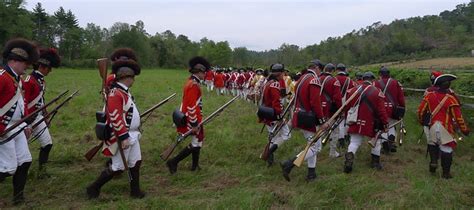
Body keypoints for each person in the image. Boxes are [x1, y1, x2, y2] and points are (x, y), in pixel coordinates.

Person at [86, 49, 145, 199]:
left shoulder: (123, 92)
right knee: (117, 166)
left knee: (135, 162)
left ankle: (135, 191)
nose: (134, 80)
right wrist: (123, 136)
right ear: (127, 77)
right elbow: (115, 117)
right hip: (122, 135)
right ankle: (93, 188)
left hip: (132, 134)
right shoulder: (116, 94)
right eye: (132, 77)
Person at [0, 38, 39, 204]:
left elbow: (21, 104)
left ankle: (18, 199)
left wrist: (25, 124)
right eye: (24, 63)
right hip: (4, 128)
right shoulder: (2, 77)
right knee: (8, 168)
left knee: (25, 161)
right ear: (14, 61)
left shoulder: (17, 79)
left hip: (17, 127)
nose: (27, 67)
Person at [280, 62, 327, 182]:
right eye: (320, 70)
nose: (320, 73)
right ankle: (290, 164)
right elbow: (316, 103)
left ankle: (311, 173)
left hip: (300, 115)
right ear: (316, 68)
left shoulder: (301, 78)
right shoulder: (313, 80)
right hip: (308, 118)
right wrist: (322, 121)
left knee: (311, 145)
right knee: (315, 148)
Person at [417, 73, 469, 179]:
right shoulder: (451, 99)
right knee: (446, 149)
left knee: (432, 143)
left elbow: (421, 111)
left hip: (432, 126)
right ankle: (446, 173)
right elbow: (458, 117)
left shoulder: (429, 96)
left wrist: (422, 121)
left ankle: (433, 162)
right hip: (445, 127)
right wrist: (464, 129)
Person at [167, 57, 211, 174]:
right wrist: (194, 123)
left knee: (198, 141)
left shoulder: (191, 82)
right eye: (204, 72)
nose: (205, 74)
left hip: (194, 117)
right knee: (196, 142)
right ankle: (174, 161)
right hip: (192, 119)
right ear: (199, 72)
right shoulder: (193, 85)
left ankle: (195, 166)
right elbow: (191, 106)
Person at [23, 48, 60, 178]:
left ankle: (41, 172)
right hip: (27, 119)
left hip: (38, 117)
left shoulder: (41, 80)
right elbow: (24, 102)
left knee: (47, 144)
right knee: (19, 150)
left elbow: (41, 100)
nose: (50, 70)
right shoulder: (29, 80)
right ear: (41, 66)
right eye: (48, 68)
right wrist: (26, 122)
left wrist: (45, 115)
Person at [343, 72, 389, 173]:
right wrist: (385, 123)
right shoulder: (377, 92)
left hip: (354, 120)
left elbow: (347, 108)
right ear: (372, 80)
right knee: (376, 142)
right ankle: (375, 163)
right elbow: (381, 110)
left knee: (354, 142)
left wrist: (347, 120)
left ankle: (349, 159)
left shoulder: (353, 91)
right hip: (371, 122)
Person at [257, 63, 291, 167]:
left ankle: (269, 157)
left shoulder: (267, 82)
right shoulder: (275, 84)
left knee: (273, 136)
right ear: (280, 74)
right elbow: (277, 102)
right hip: (273, 115)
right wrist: (280, 117)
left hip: (266, 113)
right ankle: (268, 152)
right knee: (286, 135)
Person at [373, 67, 405, 154]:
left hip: (381, 108)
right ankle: (390, 142)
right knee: (391, 126)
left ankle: (385, 144)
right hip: (393, 108)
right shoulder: (396, 82)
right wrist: (402, 107)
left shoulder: (376, 83)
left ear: (380, 74)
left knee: (383, 127)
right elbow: (401, 97)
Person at [318, 63, 342, 158]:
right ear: (333, 71)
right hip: (329, 109)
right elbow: (337, 98)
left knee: (319, 130)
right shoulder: (334, 81)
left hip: (318, 108)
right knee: (335, 131)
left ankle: (316, 149)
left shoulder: (317, 79)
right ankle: (332, 152)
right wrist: (340, 109)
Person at [334, 64, 356, 148]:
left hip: (337, 103)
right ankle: (346, 136)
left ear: (337, 70)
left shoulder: (334, 79)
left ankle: (341, 140)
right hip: (347, 102)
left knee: (339, 122)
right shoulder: (350, 81)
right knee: (346, 120)